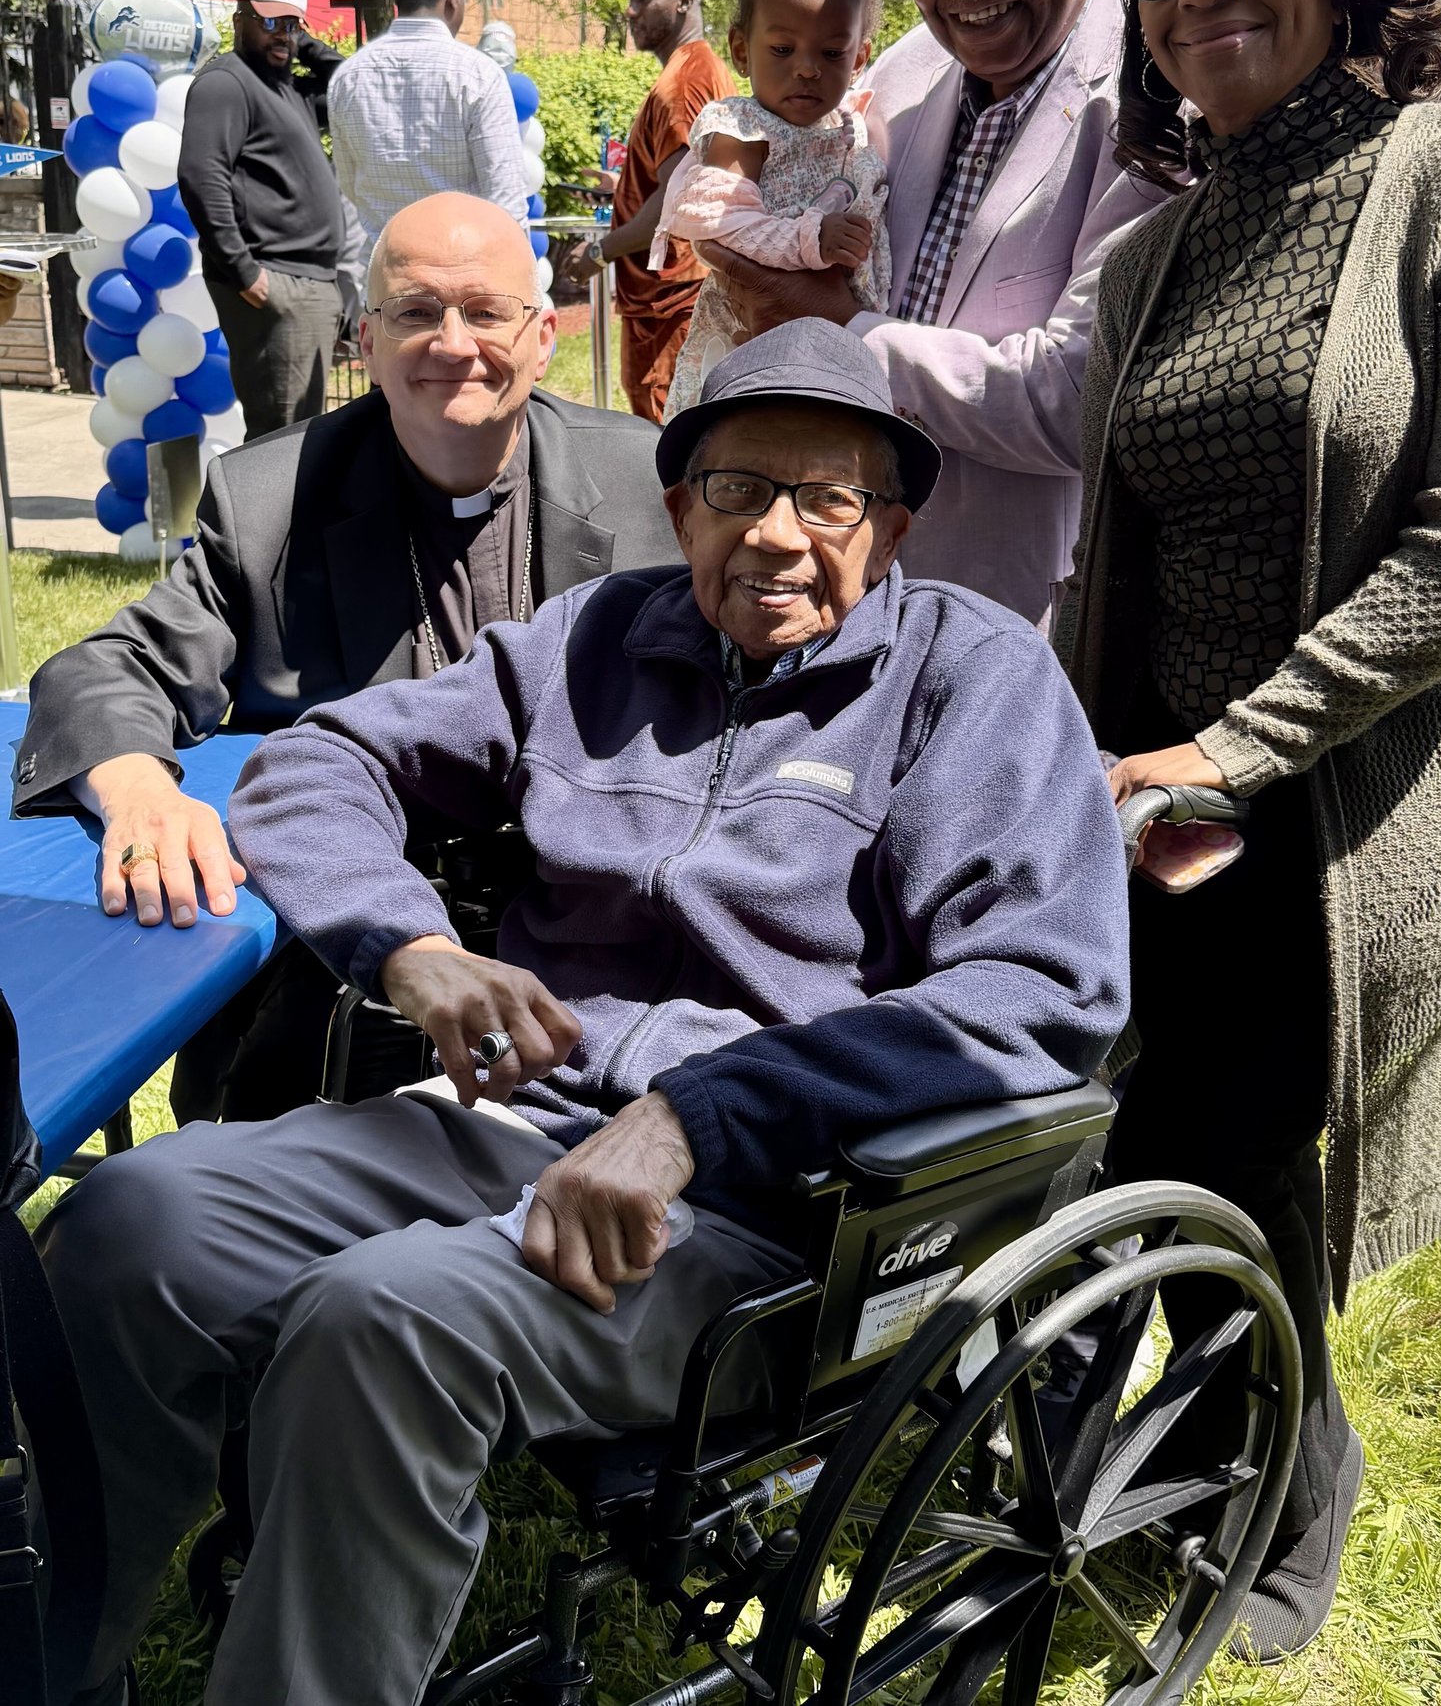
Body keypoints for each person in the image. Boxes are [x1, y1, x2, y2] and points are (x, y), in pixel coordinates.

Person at [38, 321, 1131, 1706]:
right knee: (131, 1219)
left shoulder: (976, 682)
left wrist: (700, 1113)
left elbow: (1039, 992)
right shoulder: (599, 634)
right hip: (512, 1109)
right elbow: (322, 762)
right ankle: (61, 1658)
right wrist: (412, 951)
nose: (779, 536)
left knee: (384, 1320)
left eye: (829, 497)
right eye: (737, 491)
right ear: (680, 508)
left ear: (894, 526)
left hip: (777, 1206)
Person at [1062, 0, 1441, 1663]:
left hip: (1377, 782)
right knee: (1156, 1130)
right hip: (1177, 786)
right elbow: (1115, 556)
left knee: (1245, 1134)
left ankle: (1292, 1488)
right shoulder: (1159, 251)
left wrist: (1243, 746)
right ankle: (1222, 1435)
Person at [14, 193, 679, 1122]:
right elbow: (112, 667)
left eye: (486, 311)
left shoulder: (654, 489)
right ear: (364, 340)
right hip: (338, 969)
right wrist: (139, 792)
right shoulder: (268, 500)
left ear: (543, 335)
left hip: (594, 961)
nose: (453, 344)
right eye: (415, 312)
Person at [718, 0, 1155, 630]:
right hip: (852, 601)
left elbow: (1084, 398)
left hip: (1025, 622)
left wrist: (843, 331)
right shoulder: (902, 72)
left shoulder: (1156, 99)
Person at [653, 0, 892, 415]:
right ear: (741, 49)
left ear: (860, 56)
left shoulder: (854, 127)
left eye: (832, 53)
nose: (807, 68)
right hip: (752, 338)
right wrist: (811, 240)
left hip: (842, 340)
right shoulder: (743, 128)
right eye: (782, 50)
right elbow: (722, 226)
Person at [177, 0, 346, 439]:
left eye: (292, 25)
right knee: (281, 448)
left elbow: (347, 83)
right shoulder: (226, 84)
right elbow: (199, 176)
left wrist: (298, 39)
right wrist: (245, 273)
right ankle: (262, 519)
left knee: (298, 440)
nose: (283, 37)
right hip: (276, 286)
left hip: (306, 282)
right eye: (270, 22)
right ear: (239, 19)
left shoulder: (286, 88)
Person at [570, 0, 734, 422]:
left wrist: (600, 253)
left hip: (667, 306)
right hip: (683, 296)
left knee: (662, 436)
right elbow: (694, 179)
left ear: (684, 1)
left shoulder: (681, 84)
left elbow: (677, 201)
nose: (629, 11)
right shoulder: (702, 68)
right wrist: (626, 187)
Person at [328, 0, 528, 255]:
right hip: (460, 282)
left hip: (382, 283)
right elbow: (506, 207)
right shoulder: (479, 77)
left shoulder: (348, 78)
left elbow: (351, 187)